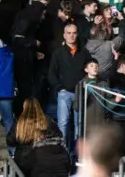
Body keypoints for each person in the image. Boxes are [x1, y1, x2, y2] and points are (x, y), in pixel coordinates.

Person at [48, 22, 92, 153]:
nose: (71, 36)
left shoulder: (84, 53)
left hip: (80, 93)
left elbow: (89, 70)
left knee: (79, 125)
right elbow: (52, 72)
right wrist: (59, 88)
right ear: (64, 35)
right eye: (69, 33)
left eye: (74, 33)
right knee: (63, 124)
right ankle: (63, 153)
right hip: (64, 93)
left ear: (77, 34)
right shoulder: (58, 53)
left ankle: (76, 155)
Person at [6, 97, 62, 175]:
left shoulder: (19, 122)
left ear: (24, 107)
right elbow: (59, 137)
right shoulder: (47, 120)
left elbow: (10, 141)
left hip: (23, 160)